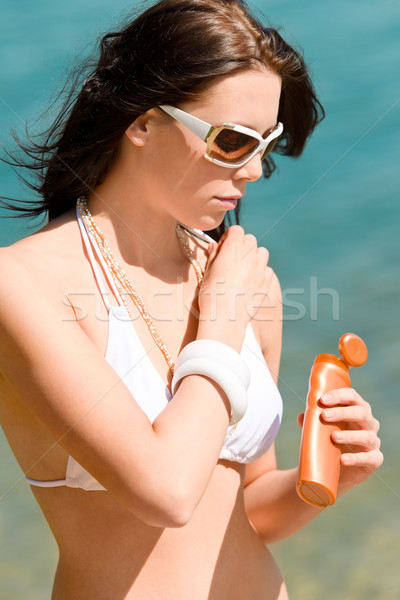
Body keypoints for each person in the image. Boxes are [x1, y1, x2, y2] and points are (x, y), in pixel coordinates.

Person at [0, 1, 383, 598]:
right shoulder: (25, 285)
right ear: (142, 122)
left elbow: (247, 509)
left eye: (268, 143)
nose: (254, 170)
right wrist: (223, 322)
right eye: (232, 141)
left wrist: (332, 471)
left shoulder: (246, 283)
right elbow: (165, 493)